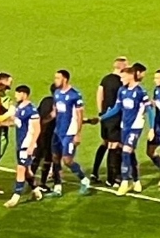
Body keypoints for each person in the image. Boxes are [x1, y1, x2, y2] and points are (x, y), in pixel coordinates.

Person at [98, 68, 153, 196]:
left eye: (123, 77)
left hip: (135, 127)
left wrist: (151, 129)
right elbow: (117, 108)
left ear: (130, 76)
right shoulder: (122, 91)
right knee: (130, 154)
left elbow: (149, 110)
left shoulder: (140, 92)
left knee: (125, 151)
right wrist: (101, 117)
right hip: (125, 127)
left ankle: (125, 181)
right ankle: (136, 180)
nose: (121, 80)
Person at [51, 69, 90, 196]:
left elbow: (79, 115)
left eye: (58, 78)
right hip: (58, 131)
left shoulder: (75, 95)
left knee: (67, 160)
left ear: (65, 79)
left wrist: (78, 133)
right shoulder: (56, 93)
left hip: (70, 132)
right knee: (55, 158)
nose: (55, 80)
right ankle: (57, 187)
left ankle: (84, 180)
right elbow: (55, 112)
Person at [4, 85, 43, 208]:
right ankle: (36, 190)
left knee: (21, 169)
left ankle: (16, 196)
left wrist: (32, 145)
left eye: (17, 93)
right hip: (20, 143)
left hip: (27, 144)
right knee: (26, 171)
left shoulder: (32, 110)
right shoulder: (18, 108)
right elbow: (15, 122)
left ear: (24, 94)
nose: (15, 96)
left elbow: (37, 128)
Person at [91, 57, 126, 186]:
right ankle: (113, 178)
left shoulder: (105, 79)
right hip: (116, 117)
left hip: (105, 116)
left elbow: (99, 94)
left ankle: (95, 172)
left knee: (105, 143)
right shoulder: (122, 82)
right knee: (114, 145)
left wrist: (101, 112)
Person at [32, 83, 57, 191]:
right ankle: (41, 183)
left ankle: (30, 180)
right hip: (47, 134)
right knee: (46, 158)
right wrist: (53, 115)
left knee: (38, 157)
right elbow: (43, 119)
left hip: (40, 133)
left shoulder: (46, 100)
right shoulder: (53, 103)